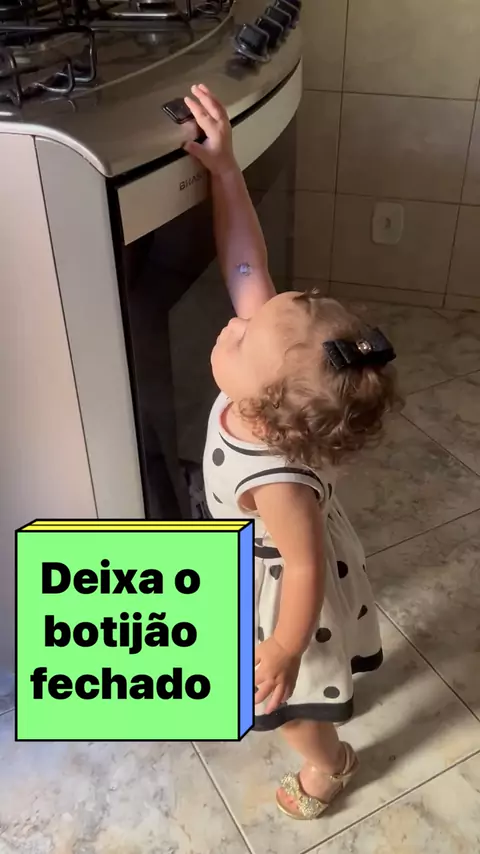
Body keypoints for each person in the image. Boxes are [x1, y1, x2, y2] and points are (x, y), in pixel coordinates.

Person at [184, 85, 401, 821]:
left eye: (244, 336)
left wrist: (281, 647)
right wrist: (226, 172)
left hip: (286, 595)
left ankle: (327, 760)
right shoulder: (273, 392)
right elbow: (248, 269)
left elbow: (303, 567)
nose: (235, 323)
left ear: (265, 405)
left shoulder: (277, 481)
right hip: (263, 554)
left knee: (292, 705)